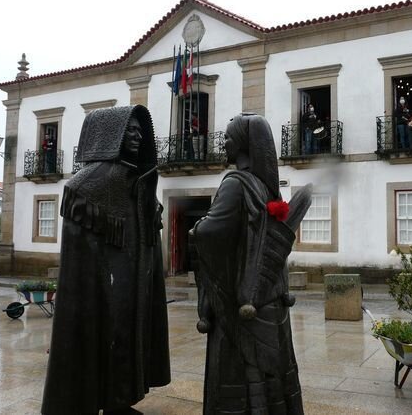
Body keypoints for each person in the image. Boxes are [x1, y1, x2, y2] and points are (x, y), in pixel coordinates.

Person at [41, 105, 170, 415]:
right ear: (109, 136)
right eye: (130, 129)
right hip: (101, 288)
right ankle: (100, 400)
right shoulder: (85, 186)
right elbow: (79, 255)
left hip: (133, 283)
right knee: (107, 339)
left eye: (140, 130)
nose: (138, 135)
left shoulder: (138, 182)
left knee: (129, 340)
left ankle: (119, 401)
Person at [190, 114, 311, 414]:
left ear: (242, 144)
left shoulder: (235, 184)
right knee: (272, 374)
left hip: (242, 304)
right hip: (269, 298)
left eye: (229, 138)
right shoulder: (266, 187)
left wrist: (195, 230)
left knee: (240, 372)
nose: (225, 143)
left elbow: (210, 232)